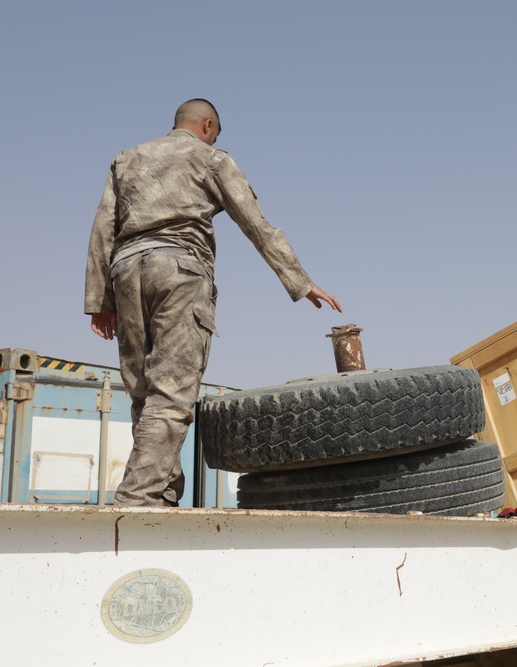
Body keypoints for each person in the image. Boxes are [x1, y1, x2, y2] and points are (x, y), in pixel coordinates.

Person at [84, 98, 341, 507]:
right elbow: (255, 222)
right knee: (171, 394)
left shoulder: (126, 158)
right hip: (180, 270)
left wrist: (101, 299)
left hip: (126, 270)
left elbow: (103, 227)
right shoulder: (211, 158)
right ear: (206, 126)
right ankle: (137, 499)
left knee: (142, 394)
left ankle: (163, 494)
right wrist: (301, 281)